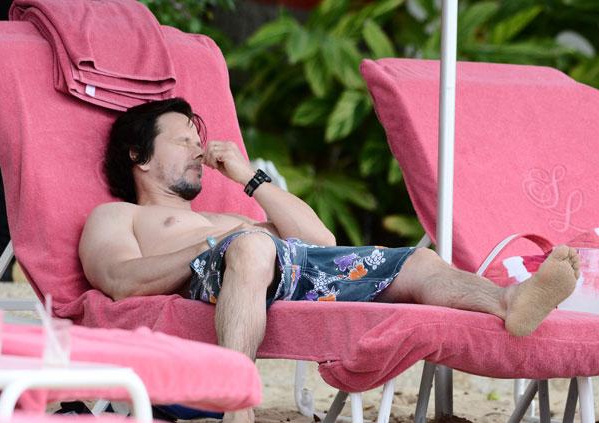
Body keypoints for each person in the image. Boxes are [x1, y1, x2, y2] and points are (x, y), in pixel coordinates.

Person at [79, 97, 579, 423]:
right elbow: (121, 281)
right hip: (215, 273)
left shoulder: (224, 214)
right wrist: (227, 241)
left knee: (414, 263)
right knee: (253, 245)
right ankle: (237, 403)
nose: (199, 147)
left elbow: (321, 239)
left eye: (198, 137)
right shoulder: (116, 215)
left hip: (282, 266)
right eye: (183, 139)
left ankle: (508, 300)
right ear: (138, 156)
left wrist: (250, 179)